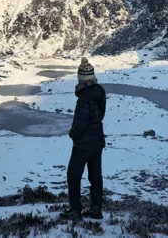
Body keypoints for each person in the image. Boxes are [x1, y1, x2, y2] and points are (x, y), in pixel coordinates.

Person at [61, 57, 106, 221]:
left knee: (73, 175)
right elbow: (100, 115)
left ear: (80, 78)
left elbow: (81, 123)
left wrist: (73, 133)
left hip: (83, 145)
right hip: (97, 141)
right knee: (95, 175)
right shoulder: (99, 91)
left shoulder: (83, 98)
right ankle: (96, 209)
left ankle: (75, 210)